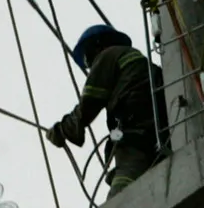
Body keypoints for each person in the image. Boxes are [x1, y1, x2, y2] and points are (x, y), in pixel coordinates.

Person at [44, 25, 168, 198]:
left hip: (135, 133)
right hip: (161, 133)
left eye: (87, 58)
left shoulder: (108, 56)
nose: (89, 66)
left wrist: (63, 129)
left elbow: (88, 103)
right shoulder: (138, 61)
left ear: (97, 45)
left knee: (123, 193)